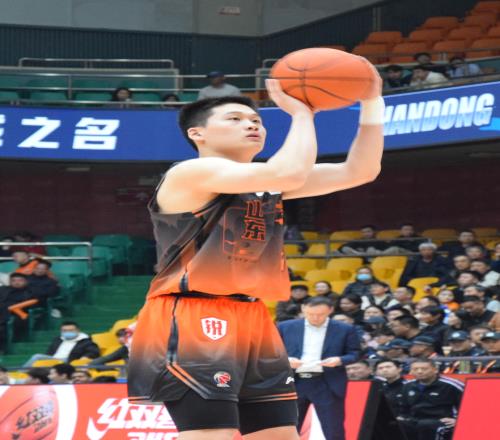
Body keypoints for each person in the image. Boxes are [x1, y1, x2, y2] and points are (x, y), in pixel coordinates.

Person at [127, 70, 384, 440]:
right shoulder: (190, 172)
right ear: (197, 133)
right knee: (211, 435)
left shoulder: (266, 183)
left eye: (256, 120)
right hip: (192, 313)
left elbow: (360, 170)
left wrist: (372, 101)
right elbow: (289, 171)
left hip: (252, 316)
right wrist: (303, 112)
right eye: (234, 119)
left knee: (278, 434)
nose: (251, 125)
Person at [278, 296, 360, 440]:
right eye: (311, 314)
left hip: (327, 382)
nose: (315, 318)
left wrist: (339, 360)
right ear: (303, 309)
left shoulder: (345, 329)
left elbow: (355, 353)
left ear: (330, 310)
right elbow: (270, 352)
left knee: (333, 430)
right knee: (287, 429)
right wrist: (286, 361)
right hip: (293, 382)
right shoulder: (285, 327)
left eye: (320, 314)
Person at [398, 359, 463, 440]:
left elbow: (470, 405)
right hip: (415, 420)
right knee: (396, 424)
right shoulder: (407, 386)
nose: (419, 371)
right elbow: (404, 408)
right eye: (415, 369)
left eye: (424, 369)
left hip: (442, 421)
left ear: (435, 370)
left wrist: (458, 420)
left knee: (425, 425)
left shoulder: (451, 385)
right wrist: (401, 417)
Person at [24, 321, 100, 367]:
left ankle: (23, 371)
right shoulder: (58, 340)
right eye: (65, 330)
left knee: (37, 356)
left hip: (69, 360)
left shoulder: (86, 341)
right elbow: (49, 352)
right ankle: (22, 374)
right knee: (38, 359)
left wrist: (85, 357)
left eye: (71, 330)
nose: (67, 332)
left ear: (77, 330)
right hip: (54, 359)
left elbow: (93, 352)